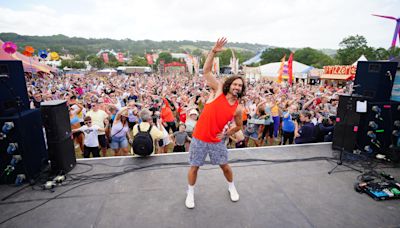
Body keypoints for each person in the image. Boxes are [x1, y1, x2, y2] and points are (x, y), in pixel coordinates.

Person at [185, 38, 245, 209]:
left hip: (217, 141)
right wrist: (213, 52)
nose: (237, 87)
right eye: (235, 83)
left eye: (240, 85)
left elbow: (239, 127)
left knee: (225, 167)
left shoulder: (238, 109)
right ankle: (190, 193)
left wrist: (226, 134)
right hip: (199, 138)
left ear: (242, 89)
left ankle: (231, 187)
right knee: (194, 167)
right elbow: (206, 71)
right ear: (229, 85)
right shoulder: (218, 90)